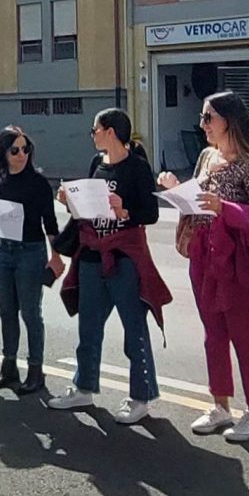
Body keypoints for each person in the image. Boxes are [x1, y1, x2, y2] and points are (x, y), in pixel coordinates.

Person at [52, 108, 170, 423]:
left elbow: (151, 213)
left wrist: (125, 211)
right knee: (88, 327)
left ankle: (141, 396)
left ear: (110, 132)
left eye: (95, 129)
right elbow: (88, 208)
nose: (92, 135)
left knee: (134, 330)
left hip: (124, 258)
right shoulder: (96, 164)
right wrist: (70, 201)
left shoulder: (137, 167)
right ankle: (83, 387)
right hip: (91, 255)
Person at [165, 92, 249, 440]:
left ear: (229, 120)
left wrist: (225, 208)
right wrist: (176, 190)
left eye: (208, 117)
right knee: (213, 334)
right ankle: (221, 405)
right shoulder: (206, 156)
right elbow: (196, 201)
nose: (202, 124)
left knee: (244, 335)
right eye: (203, 117)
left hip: (236, 260)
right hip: (203, 254)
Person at [0, 126, 65, 397]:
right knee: (7, 311)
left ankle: (35, 370)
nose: (21, 155)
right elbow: (3, 219)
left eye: (25, 149)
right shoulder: (4, 180)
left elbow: (50, 223)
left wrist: (55, 255)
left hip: (31, 251)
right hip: (4, 251)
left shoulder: (39, 183)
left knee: (30, 313)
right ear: (4, 154)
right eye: (15, 150)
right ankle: (9, 367)